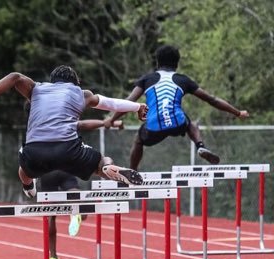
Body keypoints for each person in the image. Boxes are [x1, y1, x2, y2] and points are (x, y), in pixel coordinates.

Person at [0, 65, 148, 199]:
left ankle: (28, 186)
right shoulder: (81, 93)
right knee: (100, 164)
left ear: (52, 82)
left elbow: (14, 77)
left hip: (35, 151)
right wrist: (137, 106)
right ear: (76, 82)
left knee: (23, 169)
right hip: (68, 149)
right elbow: (110, 103)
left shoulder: (37, 89)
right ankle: (107, 168)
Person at [104, 45, 250, 169]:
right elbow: (212, 100)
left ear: (157, 62)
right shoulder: (183, 80)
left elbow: (128, 103)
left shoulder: (147, 79)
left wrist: (112, 119)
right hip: (177, 122)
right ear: (177, 64)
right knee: (190, 123)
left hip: (154, 126)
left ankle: (132, 171)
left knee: (139, 140)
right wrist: (237, 112)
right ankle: (200, 145)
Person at [41, 118, 125, 259]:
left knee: (50, 214)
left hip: (48, 169)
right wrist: (109, 122)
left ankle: (53, 257)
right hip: (67, 164)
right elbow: (84, 124)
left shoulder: (37, 125)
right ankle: (77, 210)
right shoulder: (62, 117)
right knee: (73, 190)